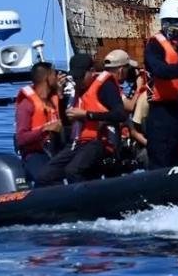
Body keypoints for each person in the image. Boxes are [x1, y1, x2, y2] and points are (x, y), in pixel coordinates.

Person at [36, 49, 130, 186]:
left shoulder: (105, 86)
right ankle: (62, 197)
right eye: (75, 78)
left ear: (91, 71)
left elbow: (120, 114)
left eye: (80, 77)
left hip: (100, 142)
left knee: (73, 171)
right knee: (45, 176)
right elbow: (66, 122)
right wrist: (60, 97)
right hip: (78, 142)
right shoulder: (76, 90)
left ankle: (86, 198)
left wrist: (87, 115)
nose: (77, 81)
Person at [143, 0, 178, 169]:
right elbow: (160, 70)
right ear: (165, 22)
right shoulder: (154, 45)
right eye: (175, 22)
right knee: (162, 153)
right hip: (162, 110)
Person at [14, 62, 62, 183]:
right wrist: (44, 130)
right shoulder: (26, 104)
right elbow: (21, 138)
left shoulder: (55, 99)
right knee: (47, 178)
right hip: (35, 154)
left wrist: (60, 93)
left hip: (56, 151)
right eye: (55, 74)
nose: (57, 77)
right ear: (47, 77)